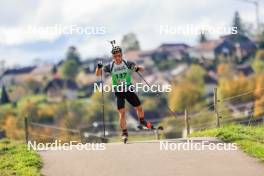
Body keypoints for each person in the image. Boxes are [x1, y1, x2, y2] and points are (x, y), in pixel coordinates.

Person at [95, 45, 153, 141]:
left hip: (129, 90)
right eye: (115, 56)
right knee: (122, 113)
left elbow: (136, 68)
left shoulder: (127, 63)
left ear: (121, 55)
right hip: (119, 92)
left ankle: (142, 121)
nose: (117, 58)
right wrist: (98, 67)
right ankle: (124, 133)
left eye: (119, 56)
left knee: (139, 107)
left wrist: (140, 68)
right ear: (113, 57)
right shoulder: (110, 66)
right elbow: (98, 74)